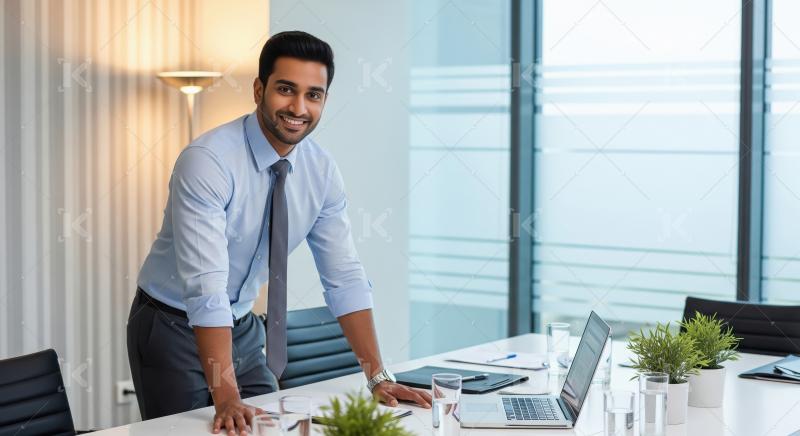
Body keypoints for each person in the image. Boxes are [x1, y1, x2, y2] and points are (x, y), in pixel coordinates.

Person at [127, 30, 431, 435]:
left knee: (273, 428)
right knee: (197, 431)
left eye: (313, 95)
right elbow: (206, 287)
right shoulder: (207, 162)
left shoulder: (321, 171)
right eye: (286, 89)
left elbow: (344, 277)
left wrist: (377, 376)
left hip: (242, 326)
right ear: (259, 90)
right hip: (171, 325)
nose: (298, 108)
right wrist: (226, 396)